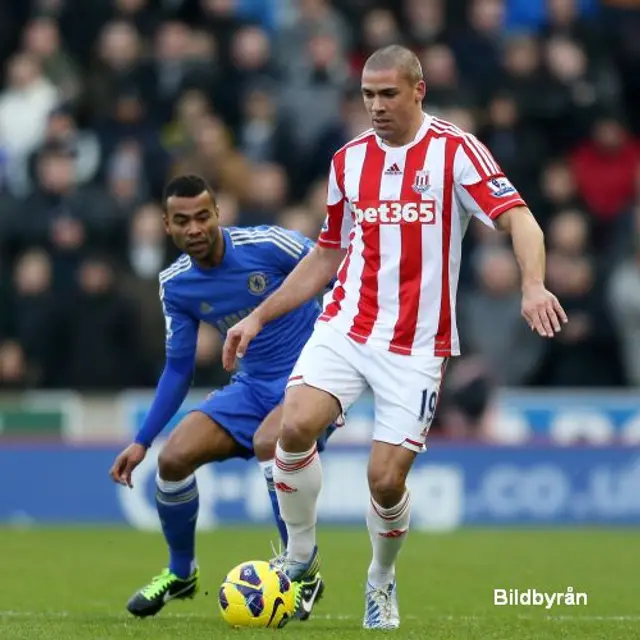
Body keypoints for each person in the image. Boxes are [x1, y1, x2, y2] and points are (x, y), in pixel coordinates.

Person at [222, 45, 569, 630]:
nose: (376, 107)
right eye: (367, 95)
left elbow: (521, 218)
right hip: (347, 324)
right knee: (292, 426)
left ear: (417, 90)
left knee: (384, 481)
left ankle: (380, 580)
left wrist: (532, 285)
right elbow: (327, 252)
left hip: (416, 344)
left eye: (388, 94)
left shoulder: (455, 152)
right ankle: (301, 558)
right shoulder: (348, 161)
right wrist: (259, 315)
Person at [109, 174, 333, 619]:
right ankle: (181, 572)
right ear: (166, 226)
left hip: (312, 377)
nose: (194, 228)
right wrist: (142, 440)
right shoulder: (175, 284)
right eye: (181, 220)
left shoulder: (270, 243)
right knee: (173, 459)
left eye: (201, 217)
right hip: (251, 388)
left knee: (273, 442)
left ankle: (301, 570)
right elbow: (178, 367)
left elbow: (333, 269)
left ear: (218, 216)